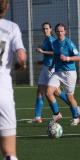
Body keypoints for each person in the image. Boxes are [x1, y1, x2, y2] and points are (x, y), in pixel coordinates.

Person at [27, 22, 70, 123]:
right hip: (45, 67)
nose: (45, 30)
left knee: (56, 92)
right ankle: (38, 117)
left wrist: (43, 52)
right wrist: (42, 61)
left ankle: (75, 107)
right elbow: (49, 55)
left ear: (51, 29)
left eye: (47, 29)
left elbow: (55, 53)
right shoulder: (46, 40)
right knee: (39, 91)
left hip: (51, 68)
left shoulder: (52, 40)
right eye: (44, 29)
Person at [0, 0, 27, 159]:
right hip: (3, 93)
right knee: (9, 153)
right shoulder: (11, 27)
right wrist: (19, 64)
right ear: (6, 6)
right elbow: (22, 56)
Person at [45, 23, 80, 126]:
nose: (60, 33)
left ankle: (75, 117)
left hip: (69, 73)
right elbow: (55, 55)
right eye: (58, 31)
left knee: (70, 97)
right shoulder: (55, 43)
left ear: (65, 32)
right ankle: (57, 114)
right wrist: (52, 65)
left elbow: (78, 57)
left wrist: (67, 58)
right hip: (57, 72)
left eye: (62, 31)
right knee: (48, 92)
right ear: (56, 32)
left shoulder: (69, 43)